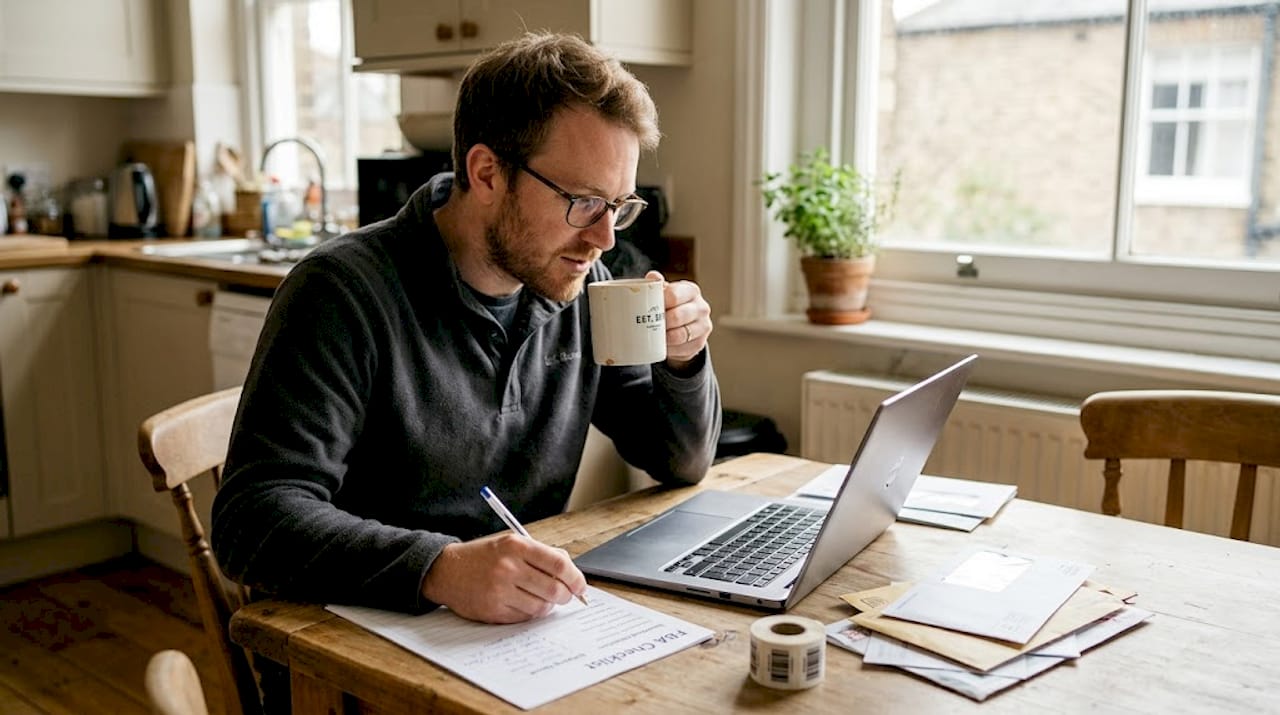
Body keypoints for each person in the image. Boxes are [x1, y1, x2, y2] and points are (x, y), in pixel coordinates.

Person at [210, 31, 721, 629]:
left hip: (509, 634)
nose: (606, 237)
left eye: (620, 205)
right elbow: (252, 521)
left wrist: (684, 361)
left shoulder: (583, 284)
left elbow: (678, 461)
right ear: (486, 174)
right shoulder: (340, 292)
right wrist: (441, 568)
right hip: (350, 638)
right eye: (583, 202)